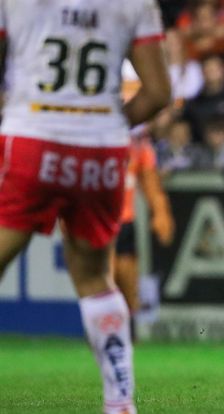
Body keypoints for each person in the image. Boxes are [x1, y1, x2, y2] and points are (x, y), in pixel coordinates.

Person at [0, 1, 170, 413]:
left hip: (32, 136)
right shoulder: (136, 4)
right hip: (101, 149)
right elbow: (159, 93)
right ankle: (119, 402)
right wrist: (106, 122)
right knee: (96, 279)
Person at [114, 135, 175, 338]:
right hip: (98, 219)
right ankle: (102, 331)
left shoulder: (139, 145)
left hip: (124, 222)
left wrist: (160, 212)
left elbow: (151, 183)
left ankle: (128, 332)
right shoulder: (94, 136)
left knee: (127, 279)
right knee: (103, 281)